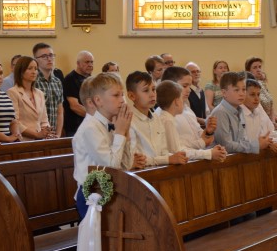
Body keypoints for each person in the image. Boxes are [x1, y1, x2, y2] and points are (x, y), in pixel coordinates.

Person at [72, 72, 135, 219]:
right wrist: (120, 132)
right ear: (98, 100)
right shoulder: (90, 128)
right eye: (116, 95)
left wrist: (125, 134)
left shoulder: (109, 124)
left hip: (109, 190)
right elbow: (111, 166)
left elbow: (126, 165)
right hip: (91, 195)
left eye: (122, 95)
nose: (122, 100)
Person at [126, 71, 187, 167]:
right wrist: (167, 159)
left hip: (161, 169)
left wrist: (174, 157)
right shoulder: (128, 121)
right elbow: (136, 160)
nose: (152, 94)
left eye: (153, 89)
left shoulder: (156, 118)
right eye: (146, 90)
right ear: (132, 96)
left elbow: (164, 151)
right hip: (141, 172)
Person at [156, 80, 226, 162]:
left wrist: (207, 145)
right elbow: (178, 152)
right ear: (176, 102)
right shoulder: (167, 121)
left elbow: (182, 145)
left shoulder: (168, 118)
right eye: (181, 99)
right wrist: (209, 153)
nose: (184, 102)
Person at [210, 71, 270, 154]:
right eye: (236, 90)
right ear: (224, 93)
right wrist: (255, 145)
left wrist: (259, 142)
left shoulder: (239, 110)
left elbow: (241, 140)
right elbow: (226, 146)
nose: (242, 94)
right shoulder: (220, 112)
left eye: (244, 89)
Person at [161, 66, 218, 153]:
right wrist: (206, 151)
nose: (189, 90)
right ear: (171, 86)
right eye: (184, 86)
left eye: (189, 86)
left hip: (199, 155)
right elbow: (176, 148)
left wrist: (208, 132)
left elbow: (198, 134)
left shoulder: (187, 110)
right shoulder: (166, 115)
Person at [243, 79, 277, 155]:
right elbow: (250, 140)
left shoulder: (258, 108)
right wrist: (275, 143)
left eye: (258, 94)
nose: (256, 98)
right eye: (252, 94)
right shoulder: (238, 113)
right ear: (243, 95)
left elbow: (270, 132)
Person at [7, 56, 53, 141]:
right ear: (21, 71)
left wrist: (46, 133)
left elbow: (44, 120)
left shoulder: (39, 93)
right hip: (23, 140)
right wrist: (36, 134)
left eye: (35, 69)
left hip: (41, 140)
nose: (34, 72)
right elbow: (14, 122)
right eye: (30, 68)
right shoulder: (13, 92)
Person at [33, 43, 64, 137]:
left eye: (51, 55)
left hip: (54, 134)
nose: (49, 59)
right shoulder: (33, 81)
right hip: (37, 134)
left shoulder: (57, 81)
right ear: (36, 60)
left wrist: (58, 135)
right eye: (44, 56)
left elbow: (60, 111)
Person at [63, 50, 93, 137]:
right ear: (78, 63)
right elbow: (75, 106)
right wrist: (95, 117)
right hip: (75, 128)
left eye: (92, 62)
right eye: (87, 62)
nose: (90, 65)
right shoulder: (70, 79)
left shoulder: (91, 79)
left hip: (89, 125)